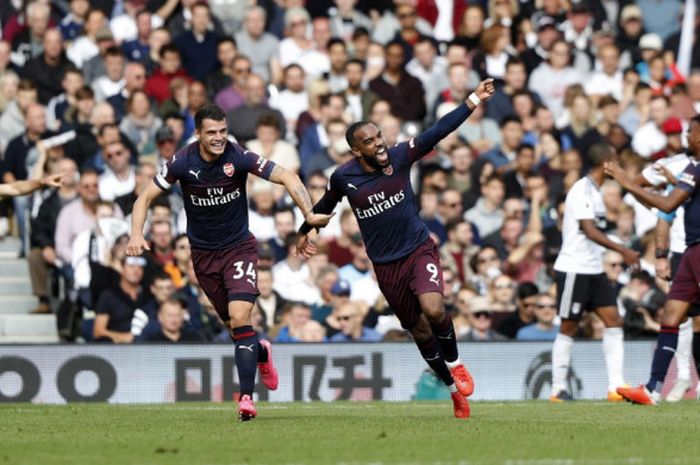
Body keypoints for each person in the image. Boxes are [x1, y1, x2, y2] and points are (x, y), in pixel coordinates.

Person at [297, 78, 496, 419]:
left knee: (433, 310)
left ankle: (458, 364)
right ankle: (453, 391)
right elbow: (325, 206)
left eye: (378, 137)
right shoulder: (343, 178)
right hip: (386, 266)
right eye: (369, 141)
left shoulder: (400, 156)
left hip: (418, 249)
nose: (379, 144)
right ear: (356, 150)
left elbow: (438, 131)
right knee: (418, 330)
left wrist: (473, 99)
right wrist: (304, 231)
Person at [126, 104, 333, 420]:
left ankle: (246, 399)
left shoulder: (238, 156)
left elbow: (287, 176)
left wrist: (307, 214)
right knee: (238, 328)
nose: (219, 138)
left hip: (238, 248)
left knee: (240, 316)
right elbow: (143, 198)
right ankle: (261, 351)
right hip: (203, 255)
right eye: (211, 132)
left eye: (223, 131)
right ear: (197, 133)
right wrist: (135, 234)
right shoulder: (182, 161)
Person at [604, 114, 700, 405]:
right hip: (690, 252)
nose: (686, 135)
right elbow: (664, 205)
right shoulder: (691, 169)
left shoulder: (696, 169)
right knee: (672, 315)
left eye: (692, 131)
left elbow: (668, 203)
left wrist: (626, 182)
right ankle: (653, 388)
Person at [550, 143, 640, 403]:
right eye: (616, 161)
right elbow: (589, 230)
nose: (619, 166)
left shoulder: (597, 192)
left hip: (593, 269)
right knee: (569, 326)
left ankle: (615, 386)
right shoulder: (582, 189)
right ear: (607, 163)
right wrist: (622, 249)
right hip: (574, 268)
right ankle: (557, 389)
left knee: (614, 321)